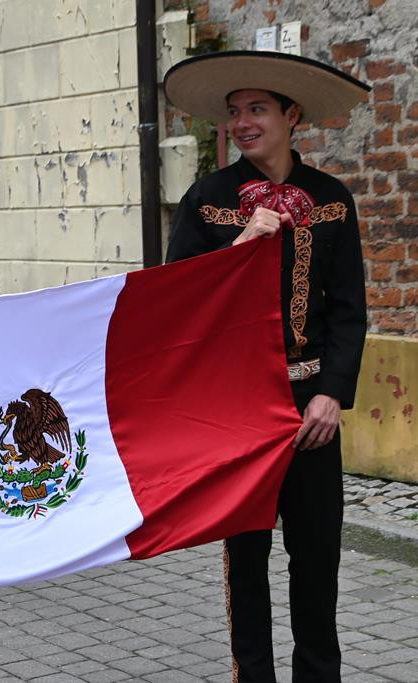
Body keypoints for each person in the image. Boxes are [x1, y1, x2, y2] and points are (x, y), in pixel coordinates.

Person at [163, 51, 370, 682]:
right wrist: (242, 243)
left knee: (317, 560)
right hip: (239, 411)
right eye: (234, 113)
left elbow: (349, 311)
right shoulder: (208, 199)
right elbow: (176, 301)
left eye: (257, 109)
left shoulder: (331, 200)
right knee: (246, 559)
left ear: (291, 114)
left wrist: (331, 394)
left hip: (311, 411)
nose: (244, 122)